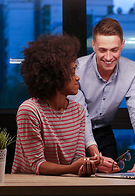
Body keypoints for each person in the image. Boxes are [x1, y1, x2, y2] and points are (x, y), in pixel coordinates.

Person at [11, 35, 102, 176]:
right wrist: (73, 168)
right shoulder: (29, 111)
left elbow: (77, 159)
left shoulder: (78, 111)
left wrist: (88, 164)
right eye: (72, 72)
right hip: (28, 189)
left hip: (64, 186)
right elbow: (38, 165)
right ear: (56, 75)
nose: (77, 77)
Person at [69, 18, 135, 173]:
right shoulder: (78, 69)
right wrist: (95, 154)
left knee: (112, 181)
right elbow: (81, 114)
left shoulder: (133, 70)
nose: (108, 57)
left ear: (122, 45)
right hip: (76, 134)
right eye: (102, 50)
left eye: (114, 50)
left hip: (104, 132)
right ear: (93, 45)